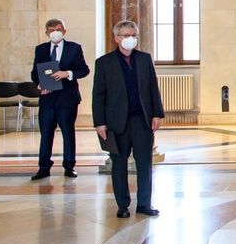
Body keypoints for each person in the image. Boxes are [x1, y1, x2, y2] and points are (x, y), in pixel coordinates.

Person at [92, 20, 165, 219]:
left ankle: (144, 204)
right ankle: (123, 205)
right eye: (126, 35)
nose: (130, 38)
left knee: (144, 163)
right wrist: (99, 122)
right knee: (119, 164)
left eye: (133, 34)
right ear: (116, 38)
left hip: (142, 121)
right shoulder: (104, 63)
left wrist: (157, 114)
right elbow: (98, 95)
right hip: (116, 123)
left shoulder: (144, 59)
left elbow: (153, 88)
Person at [30, 19, 89, 180]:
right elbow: (35, 72)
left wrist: (67, 73)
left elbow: (84, 70)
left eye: (58, 29)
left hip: (67, 98)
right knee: (46, 133)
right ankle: (43, 167)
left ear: (64, 31)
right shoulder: (41, 49)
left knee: (68, 132)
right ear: (46, 32)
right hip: (47, 98)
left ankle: (69, 166)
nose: (54, 32)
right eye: (51, 30)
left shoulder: (74, 48)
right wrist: (40, 83)